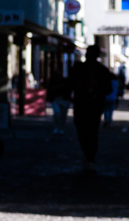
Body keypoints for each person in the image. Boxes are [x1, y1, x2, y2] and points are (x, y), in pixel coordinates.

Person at [71, 43, 115, 172]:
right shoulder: (82, 68)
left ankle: (89, 157)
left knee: (89, 132)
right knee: (88, 132)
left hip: (90, 105)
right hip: (87, 105)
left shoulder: (98, 70)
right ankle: (89, 157)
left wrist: (96, 90)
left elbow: (108, 89)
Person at [45, 64, 72, 135]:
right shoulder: (55, 81)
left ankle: (59, 128)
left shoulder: (64, 81)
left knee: (62, 114)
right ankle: (57, 127)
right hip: (57, 99)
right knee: (58, 113)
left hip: (63, 99)